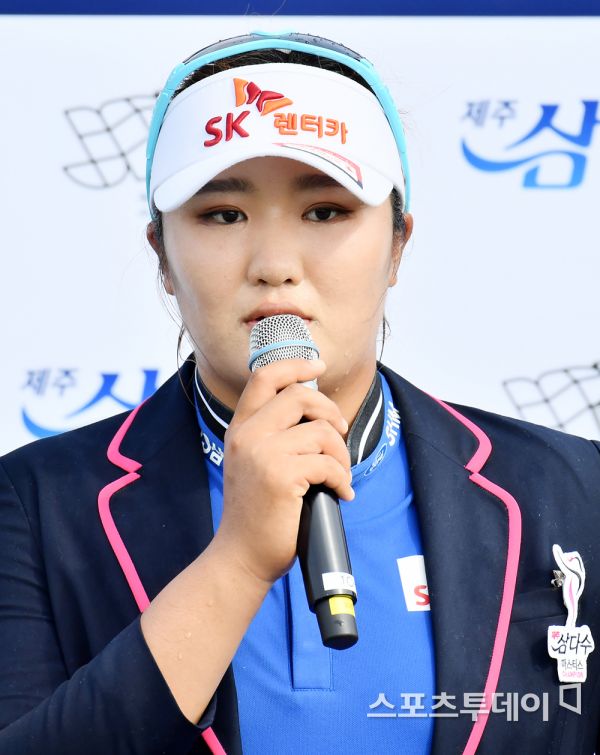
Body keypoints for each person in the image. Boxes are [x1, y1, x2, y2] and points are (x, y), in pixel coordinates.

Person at [0, 31, 599, 755]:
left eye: (325, 211)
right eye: (224, 215)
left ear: (398, 244)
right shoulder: (35, 504)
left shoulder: (571, 487)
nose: (275, 264)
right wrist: (238, 560)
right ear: (161, 255)